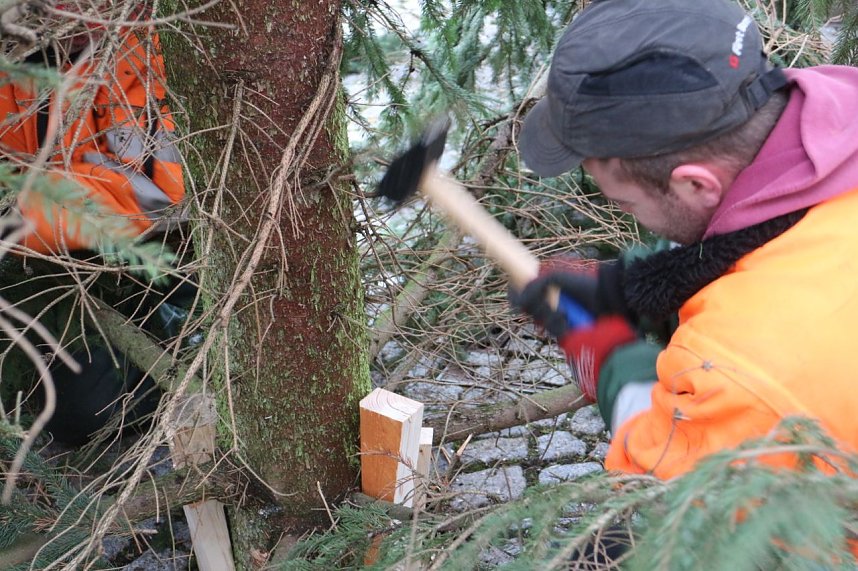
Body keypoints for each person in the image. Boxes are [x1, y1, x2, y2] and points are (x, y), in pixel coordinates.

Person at [511, 0, 858, 481]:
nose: (623, 211)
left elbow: (658, 476)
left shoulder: (742, 367)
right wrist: (632, 285)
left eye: (626, 203)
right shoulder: (833, 112)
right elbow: (756, 226)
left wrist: (614, 355)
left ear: (696, 184)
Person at [0, 3, 187, 444]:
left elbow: (154, 192)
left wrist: (17, 218)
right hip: (41, 255)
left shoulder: (148, 42)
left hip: (147, 257)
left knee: (90, 410)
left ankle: (169, 359)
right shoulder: (18, 41)